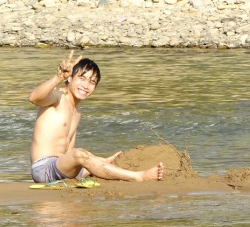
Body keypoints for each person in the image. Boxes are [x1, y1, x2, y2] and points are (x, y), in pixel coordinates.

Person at [29, 51, 163, 184]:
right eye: (82, 78)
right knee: (81, 154)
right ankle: (138, 176)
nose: (86, 86)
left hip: (62, 168)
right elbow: (34, 98)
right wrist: (58, 77)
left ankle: (123, 170)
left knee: (103, 161)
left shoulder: (77, 113)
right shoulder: (58, 97)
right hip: (44, 169)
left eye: (92, 82)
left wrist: (97, 161)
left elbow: (69, 151)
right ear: (70, 78)